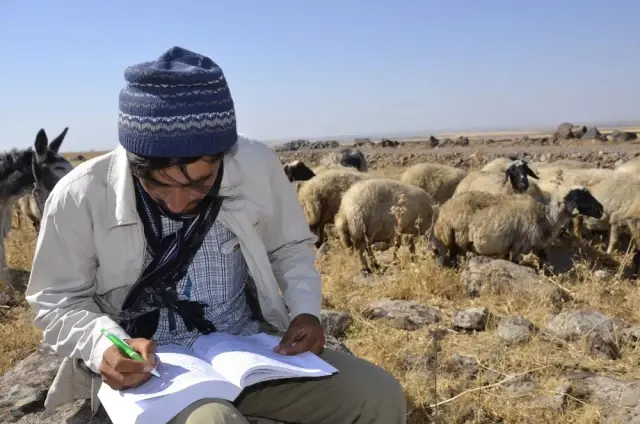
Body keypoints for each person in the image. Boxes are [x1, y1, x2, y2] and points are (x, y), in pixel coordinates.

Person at [25, 46, 407, 424]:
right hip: (150, 371)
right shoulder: (80, 196)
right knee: (214, 420)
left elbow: (290, 246)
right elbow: (57, 299)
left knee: (377, 395)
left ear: (223, 155)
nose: (177, 203)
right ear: (133, 159)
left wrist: (304, 310)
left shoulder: (257, 168)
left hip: (250, 354)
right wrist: (104, 346)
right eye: (159, 186)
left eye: (199, 183)